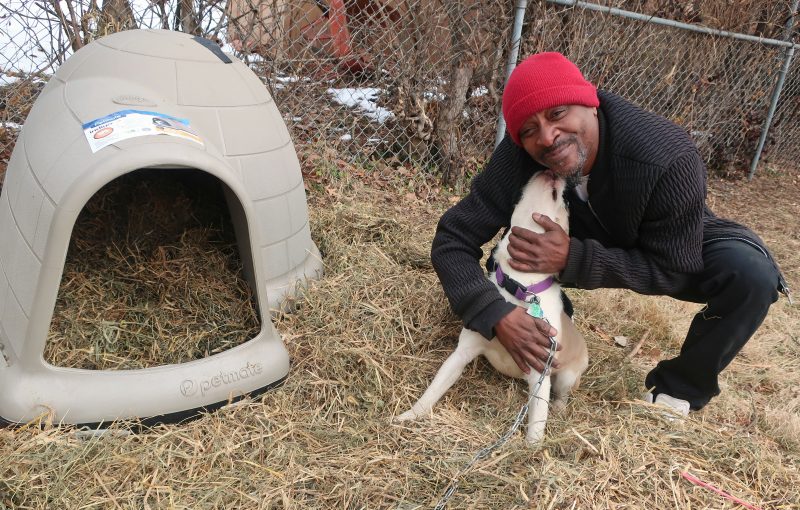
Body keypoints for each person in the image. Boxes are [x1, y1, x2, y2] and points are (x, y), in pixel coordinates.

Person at [431, 52, 791, 414]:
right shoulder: (520, 155)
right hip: (570, 236)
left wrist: (573, 258)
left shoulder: (667, 155)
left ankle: (677, 391)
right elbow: (453, 237)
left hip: (664, 238)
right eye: (529, 129)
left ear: (590, 103)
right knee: (520, 247)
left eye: (558, 113)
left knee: (751, 276)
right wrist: (492, 311)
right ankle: (548, 315)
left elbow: (674, 268)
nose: (548, 137)